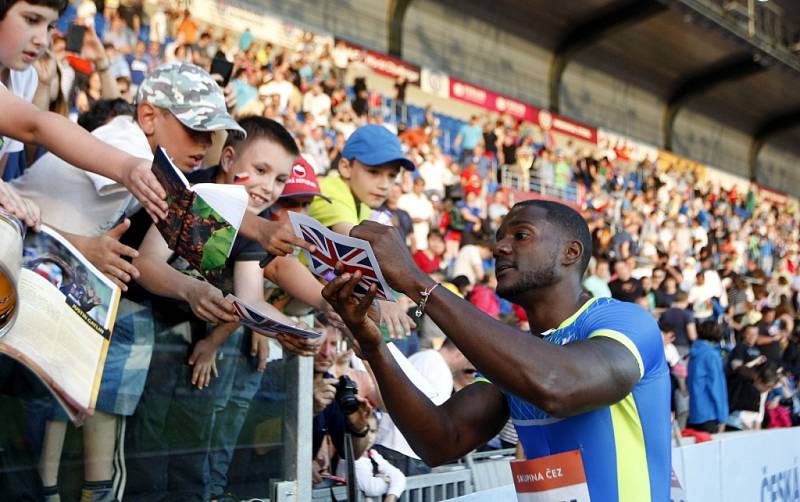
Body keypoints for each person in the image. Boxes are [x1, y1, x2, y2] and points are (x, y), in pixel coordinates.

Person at [324, 199, 671, 501]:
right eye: (499, 238)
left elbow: (560, 384)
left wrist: (419, 283)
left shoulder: (625, 321)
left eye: (520, 235)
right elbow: (442, 441)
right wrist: (373, 347)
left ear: (571, 252)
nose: (501, 247)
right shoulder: (515, 357)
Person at [0, 0, 168, 228]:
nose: (42, 39)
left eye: (50, 26)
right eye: (31, 20)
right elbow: (35, 126)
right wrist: (126, 166)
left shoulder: (23, 76)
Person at [307, 124, 416, 339]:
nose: (384, 185)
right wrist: (384, 298)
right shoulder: (331, 189)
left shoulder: (363, 203)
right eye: (374, 172)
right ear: (346, 167)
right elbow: (355, 247)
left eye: (391, 176)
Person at [686, 321, 728, 433]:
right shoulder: (711, 355)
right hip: (710, 414)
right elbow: (717, 387)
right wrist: (723, 417)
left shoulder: (694, 353)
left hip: (695, 412)